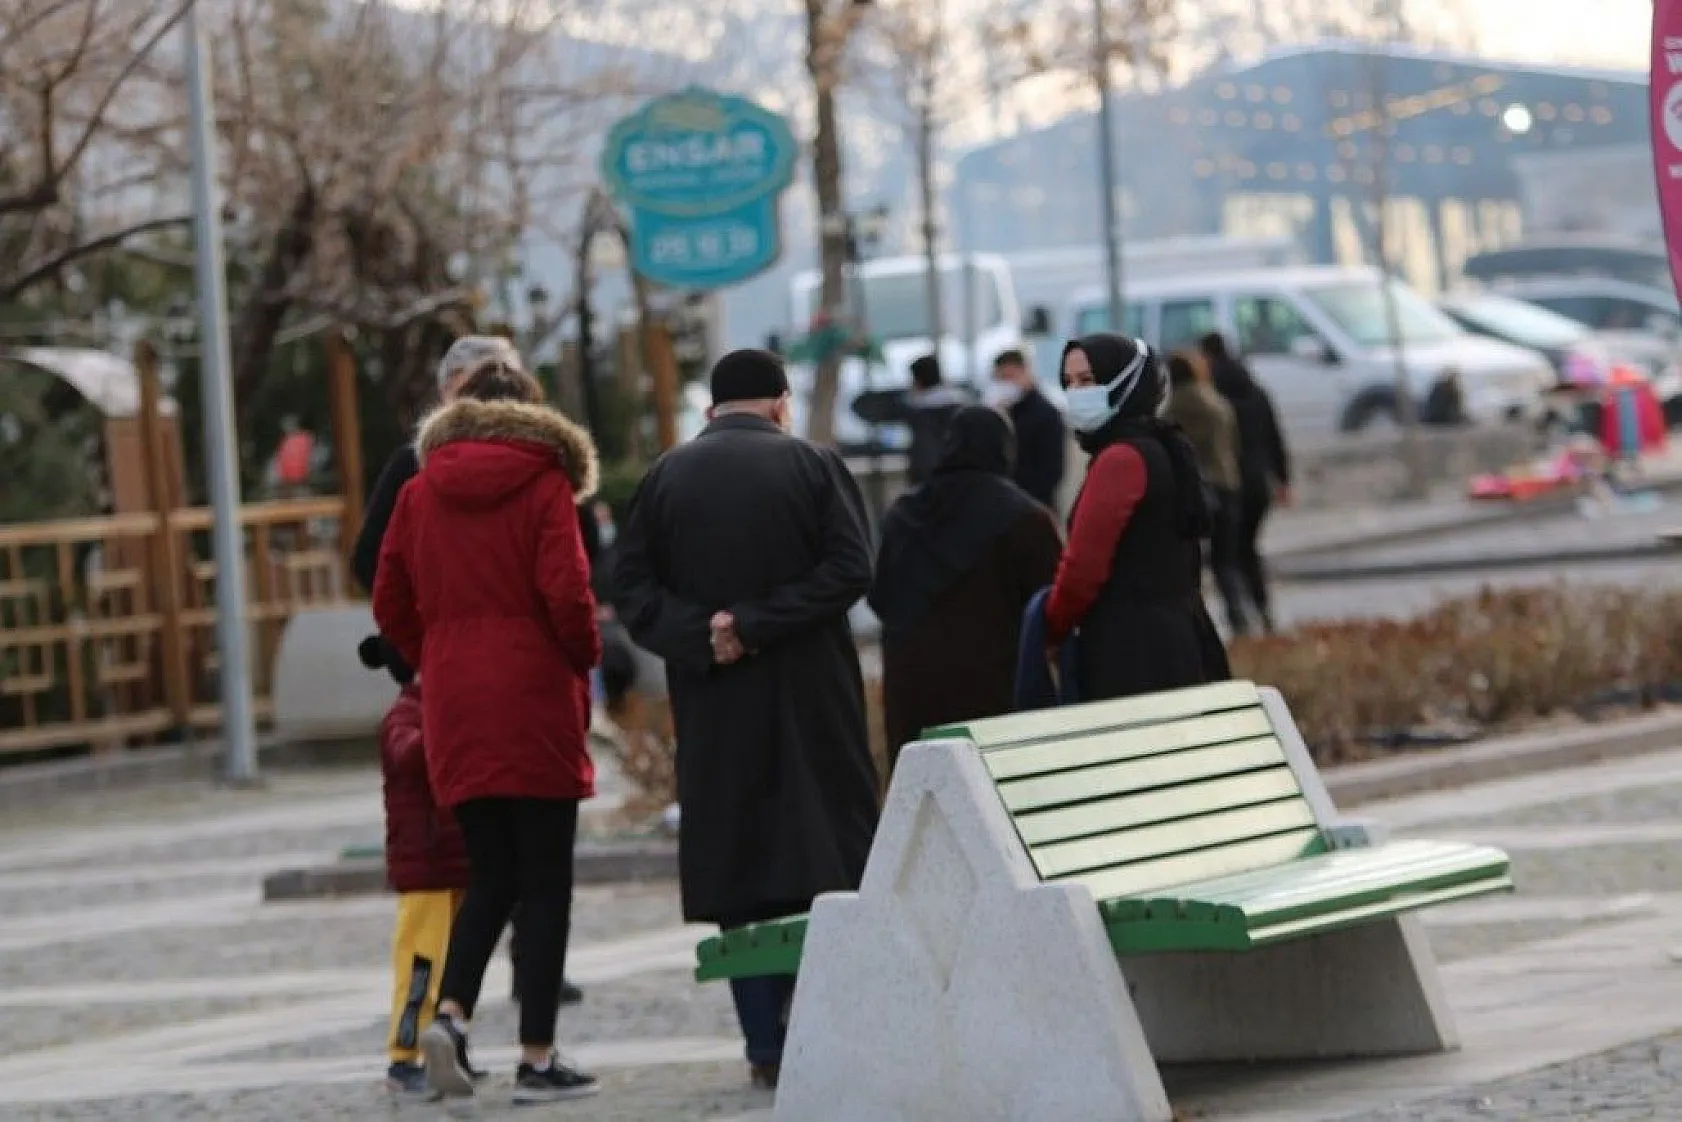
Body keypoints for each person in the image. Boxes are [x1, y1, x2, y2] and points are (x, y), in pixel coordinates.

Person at [613, 348, 879, 1089]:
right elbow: (851, 569)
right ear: (780, 402)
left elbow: (631, 591)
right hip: (809, 695)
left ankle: (764, 1040)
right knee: (818, 851)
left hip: (714, 700)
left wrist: (707, 635)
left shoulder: (666, 479)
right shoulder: (813, 467)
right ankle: (819, 1027)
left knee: (739, 862)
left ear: (710, 412)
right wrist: (759, 621)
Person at [372, 355, 602, 1104]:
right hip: (533, 695)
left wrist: (435, 654)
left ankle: (453, 1016)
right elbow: (568, 593)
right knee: (546, 883)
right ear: (532, 411)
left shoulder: (417, 490)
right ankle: (537, 1057)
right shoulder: (544, 485)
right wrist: (581, 659)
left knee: (490, 874)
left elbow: (389, 598)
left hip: (456, 702)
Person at [869, 405, 1062, 765]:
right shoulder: (1025, 518)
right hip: (992, 695)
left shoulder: (904, 513)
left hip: (912, 692)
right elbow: (1054, 609)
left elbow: (880, 597)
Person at [1045, 333, 1230, 700]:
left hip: (1130, 653)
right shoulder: (1163, 447)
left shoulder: (1120, 460)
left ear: (1125, 382)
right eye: (1069, 383)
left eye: (1087, 381)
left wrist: (1051, 629)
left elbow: (1082, 568)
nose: (1076, 393)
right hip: (1182, 640)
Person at [377, 681, 476, 1100]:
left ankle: (450, 1049)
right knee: (421, 965)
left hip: (457, 862)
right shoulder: (405, 713)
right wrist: (446, 726)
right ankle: (404, 1058)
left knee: (456, 965)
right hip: (425, 867)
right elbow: (406, 754)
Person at [1200, 332, 1292, 635]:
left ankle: (1239, 616)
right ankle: (1263, 611)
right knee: (1247, 549)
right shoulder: (1256, 391)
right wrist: (1283, 479)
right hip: (1259, 483)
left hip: (1229, 484)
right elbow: (1274, 437)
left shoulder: (1212, 396)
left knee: (1226, 553)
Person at [1163, 351, 1248, 635]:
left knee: (1193, 563)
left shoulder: (1174, 409)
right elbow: (1234, 445)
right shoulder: (1216, 402)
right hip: (1227, 483)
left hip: (1197, 489)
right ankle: (1239, 617)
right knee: (1227, 559)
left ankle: (1201, 625)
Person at [853, 352, 972, 485]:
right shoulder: (962, 404)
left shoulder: (917, 410)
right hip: (961, 470)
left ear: (918, 380)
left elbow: (865, 407)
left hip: (927, 472)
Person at [990, 349, 1068, 508]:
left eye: (1010, 377)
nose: (1006, 384)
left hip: (1034, 507)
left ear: (1026, 372)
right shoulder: (1000, 412)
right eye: (1001, 379)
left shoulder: (1046, 414)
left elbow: (1052, 471)